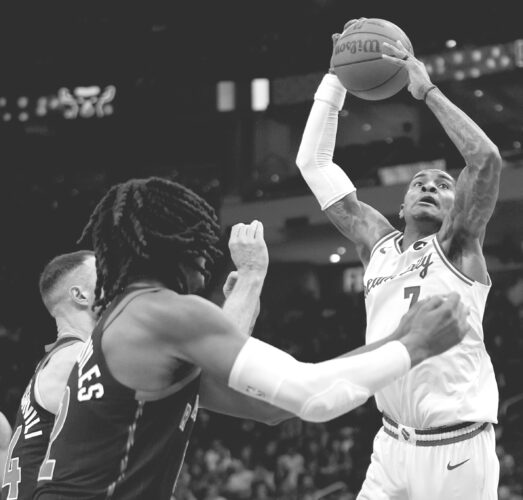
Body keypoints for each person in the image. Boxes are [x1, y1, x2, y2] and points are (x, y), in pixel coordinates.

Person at [33, 176, 469, 499]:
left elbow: (271, 407)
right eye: (199, 243)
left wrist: (251, 282)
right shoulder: (163, 313)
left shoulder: (131, 321)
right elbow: (313, 396)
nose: (206, 259)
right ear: (172, 246)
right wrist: (412, 344)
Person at [296, 18, 503, 500]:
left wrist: (427, 91)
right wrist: (334, 78)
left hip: (455, 448)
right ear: (402, 207)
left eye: (444, 185)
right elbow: (313, 164)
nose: (430, 185)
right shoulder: (377, 244)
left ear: (456, 204)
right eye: (419, 183)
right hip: (390, 443)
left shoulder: (458, 244)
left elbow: (486, 160)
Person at [1, 251, 98, 500]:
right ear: (80, 295)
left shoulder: (57, 360)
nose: (118, 281)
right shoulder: (75, 359)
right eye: (105, 274)